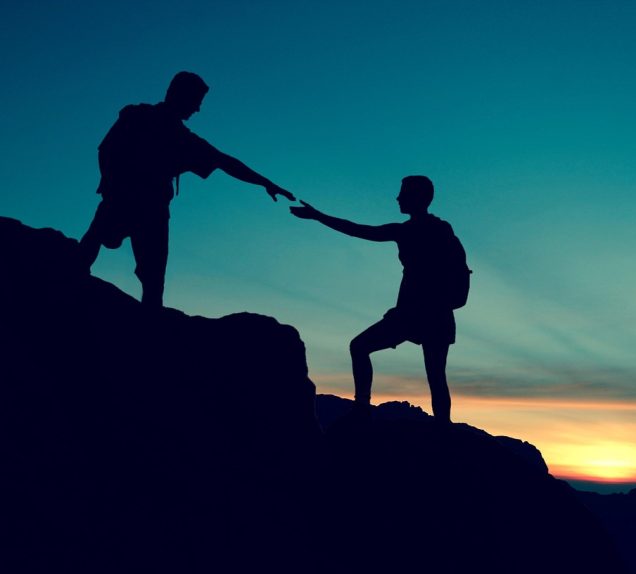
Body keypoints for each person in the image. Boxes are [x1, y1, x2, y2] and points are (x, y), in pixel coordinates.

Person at [79, 71, 295, 308]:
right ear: (178, 95)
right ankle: (69, 285)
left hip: (149, 210)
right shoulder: (140, 118)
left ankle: (146, 326)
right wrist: (113, 186)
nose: (198, 109)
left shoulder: (179, 137)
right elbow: (107, 151)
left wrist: (266, 182)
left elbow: (226, 162)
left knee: (152, 281)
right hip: (130, 202)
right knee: (97, 249)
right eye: (196, 102)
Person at [291, 176, 467, 424]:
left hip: (414, 313)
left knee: (360, 347)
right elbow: (359, 230)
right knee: (436, 375)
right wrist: (318, 216)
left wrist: (318, 216)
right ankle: (443, 428)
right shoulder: (439, 230)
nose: (398, 198)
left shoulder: (408, 231)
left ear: (417, 197)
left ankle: (363, 406)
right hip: (433, 313)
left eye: (403, 193)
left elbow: (358, 230)